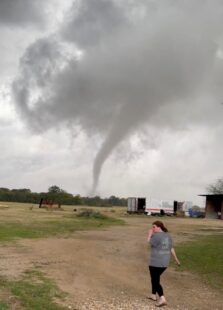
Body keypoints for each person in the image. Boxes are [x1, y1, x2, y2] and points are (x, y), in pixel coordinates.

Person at [147, 220, 180, 307]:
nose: (152, 229)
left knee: (155, 280)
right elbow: (171, 248)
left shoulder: (156, 236)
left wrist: (149, 235)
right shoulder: (168, 235)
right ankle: (153, 295)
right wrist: (176, 259)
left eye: (154, 227)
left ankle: (162, 298)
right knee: (155, 278)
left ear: (159, 227)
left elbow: (150, 243)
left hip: (155, 262)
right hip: (165, 263)